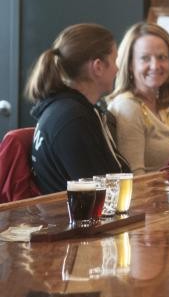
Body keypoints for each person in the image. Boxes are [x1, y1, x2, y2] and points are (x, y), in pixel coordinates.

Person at [26, 23, 129, 193]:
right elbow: (101, 194)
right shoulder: (74, 119)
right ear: (98, 67)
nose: (117, 69)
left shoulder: (66, 110)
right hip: (72, 218)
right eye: (114, 60)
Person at [107, 23, 169, 174]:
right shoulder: (128, 107)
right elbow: (135, 180)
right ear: (130, 64)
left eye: (162, 57)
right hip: (151, 197)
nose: (155, 66)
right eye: (145, 58)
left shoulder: (161, 106)